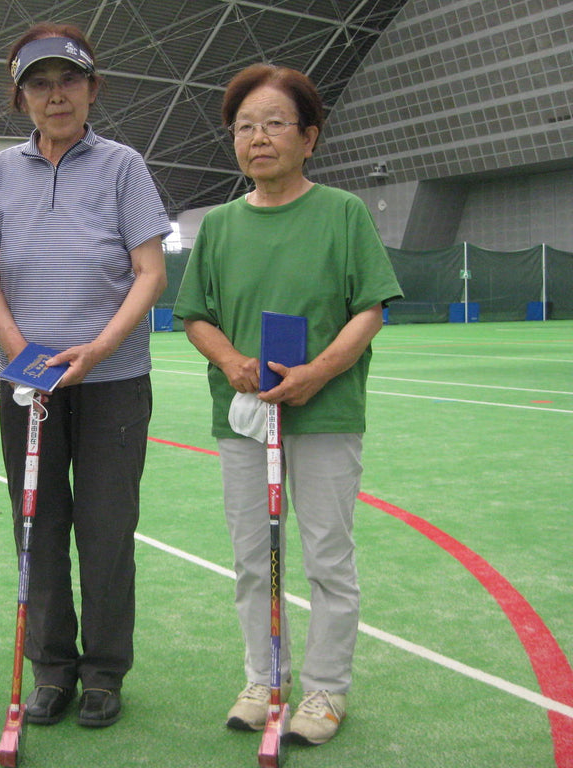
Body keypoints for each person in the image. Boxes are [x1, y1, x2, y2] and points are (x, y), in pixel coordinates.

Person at [173, 63, 402, 746]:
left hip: (325, 414)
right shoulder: (216, 226)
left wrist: (317, 373)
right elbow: (196, 317)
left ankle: (327, 690)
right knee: (252, 556)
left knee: (327, 556)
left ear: (310, 137)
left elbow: (369, 310)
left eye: (275, 124)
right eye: (245, 126)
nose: (259, 138)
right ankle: (263, 677)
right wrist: (233, 362)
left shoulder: (343, 213)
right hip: (244, 420)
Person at [0, 23, 171, 728]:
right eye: (40, 83)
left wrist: (97, 348)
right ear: (20, 97)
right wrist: (19, 346)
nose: (56, 96)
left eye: (69, 81)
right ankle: (52, 668)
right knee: (37, 526)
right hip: (26, 382)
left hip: (113, 380)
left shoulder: (122, 165)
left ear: (93, 89)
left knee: (108, 530)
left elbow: (150, 272)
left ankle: (105, 671)